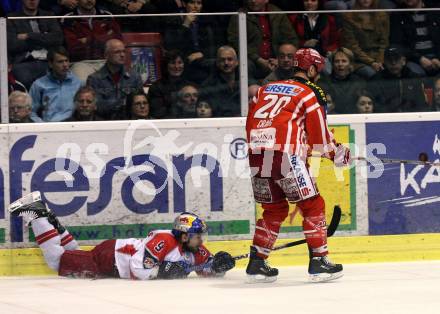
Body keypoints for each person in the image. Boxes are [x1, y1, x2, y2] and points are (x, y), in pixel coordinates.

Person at [245, 48, 350, 283]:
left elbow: (252, 122)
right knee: (313, 205)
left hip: (256, 155)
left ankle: (257, 262)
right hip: (284, 156)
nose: (318, 75)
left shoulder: (264, 89)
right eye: (318, 70)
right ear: (311, 69)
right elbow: (321, 141)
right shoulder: (307, 94)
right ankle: (319, 262)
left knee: (274, 210)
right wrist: (338, 155)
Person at [9, 191, 236, 280]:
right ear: (184, 236)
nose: (202, 240)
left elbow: (206, 269)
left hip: (112, 255)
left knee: (73, 253)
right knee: (56, 261)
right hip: (111, 259)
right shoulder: (165, 241)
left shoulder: (195, 249)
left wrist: (218, 267)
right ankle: (37, 215)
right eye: (198, 236)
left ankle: (51, 221)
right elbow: (138, 268)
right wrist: (161, 271)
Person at [227, 0, 298, 82]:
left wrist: (279, 58)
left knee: (290, 61)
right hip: (252, 60)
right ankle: (252, 90)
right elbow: (234, 41)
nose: (253, 1)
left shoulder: (277, 13)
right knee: (245, 65)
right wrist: (258, 59)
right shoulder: (240, 15)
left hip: (276, 59)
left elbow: (291, 39)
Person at [7, 0, 64, 89]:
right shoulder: (12, 18)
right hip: (24, 62)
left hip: (49, 61)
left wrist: (29, 36)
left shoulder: (49, 15)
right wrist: (44, 37)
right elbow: (13, 45)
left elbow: (58, 39)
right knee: (26, 80)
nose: (32, 1)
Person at [61, 0, 122, 82]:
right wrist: (104, 37)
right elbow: (72, 47)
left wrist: (87, 40)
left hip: (106, 61)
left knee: (119, 81)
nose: (89, 0)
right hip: (81, 63)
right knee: (81, 83)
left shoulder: (106, 16)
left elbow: (117, 40)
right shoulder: (68, 19)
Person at [87, 39, 143, 120]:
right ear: (106, 55)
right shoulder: (94, 79)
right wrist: (122, 103)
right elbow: (97, 106)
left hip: (129, 121)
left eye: (124, 51)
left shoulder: (134, 77)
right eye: (117, 52)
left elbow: (140, 101)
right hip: (104, 122)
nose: (122, 55)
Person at [29, 47, 82, 122]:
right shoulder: (38, 85)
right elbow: (30, 112)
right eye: (60, 62)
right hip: (49, 127)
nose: (65, 65)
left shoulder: (78, 83)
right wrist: (42, 125)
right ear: (50, 64)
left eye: (66, 61)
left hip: (72, 126)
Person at [369, 46, 428, 112]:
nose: (393, 63)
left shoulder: (414, 78)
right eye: (389, 60)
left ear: (403, 61)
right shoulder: (376, 80)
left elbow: (421, 103)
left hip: (411, 118)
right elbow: (377, 106)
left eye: (396, 59)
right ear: (385, 62)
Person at [390, 0, 440, 76]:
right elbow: (397, 44)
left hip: (436, 56)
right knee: (413, 73)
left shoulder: (435, 10)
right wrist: (419, 59)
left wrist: (438, 58)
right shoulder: (397, 13)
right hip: (413, 59)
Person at [341, 0, 390, 79]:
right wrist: (371, 62)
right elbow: (352, 46)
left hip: (380, 57)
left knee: (392, 70)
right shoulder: (349, 17)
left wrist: (380, 60)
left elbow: (384, 42)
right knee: (371, 73)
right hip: (358, 59)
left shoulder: (382, 15)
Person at [319, 47, 366, 113]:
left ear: (350, 64)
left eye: (344, 61)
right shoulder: (323, 82)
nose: (340, 64)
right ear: (332, 64)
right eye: (337, 61)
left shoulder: (359, 82)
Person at [148, 50, 190, 119]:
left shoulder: (190, 86)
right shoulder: (156, 87)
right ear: (166, 65)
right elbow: (157, 112)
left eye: (180, 63)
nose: (176, 66)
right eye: (173, 63)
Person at [201, 46, 240, 117]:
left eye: (230, 59)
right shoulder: (208, 85)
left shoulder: (244, 82)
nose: (226, 63)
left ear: (237, 62)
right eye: (222, 60)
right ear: (217, 63)